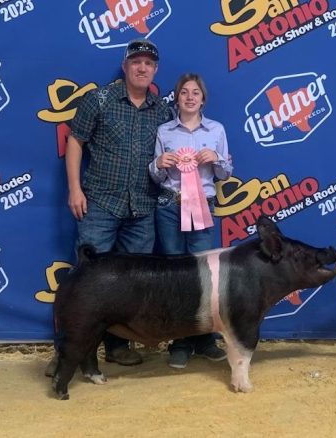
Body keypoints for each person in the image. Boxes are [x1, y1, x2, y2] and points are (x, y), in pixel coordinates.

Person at [63, 38, 172, 367]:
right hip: (99, 204)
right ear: (125, 66)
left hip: (142, 209)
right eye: (136, 62)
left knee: (130, 286)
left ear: (155, 70)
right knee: (86, 282)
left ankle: (117, 347)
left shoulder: (163, 111)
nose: (142, 68)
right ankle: (68, 351)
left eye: (149, 64)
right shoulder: (99, 99)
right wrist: (74, 189)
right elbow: (75, 141)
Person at [149, 73, 233, 369]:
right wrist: (158, 164)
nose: (189, 97)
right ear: (177, 97)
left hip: (202, 207)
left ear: (203, 98)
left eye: (195, 92)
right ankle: (180, 340)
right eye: (184, 92)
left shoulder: (217, 130)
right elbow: (157, 176)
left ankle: (205, 339)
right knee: (175, 275)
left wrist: (218, 161)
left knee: (205, 273)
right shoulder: (164, 131)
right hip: (169, 206)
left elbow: (225, 174)